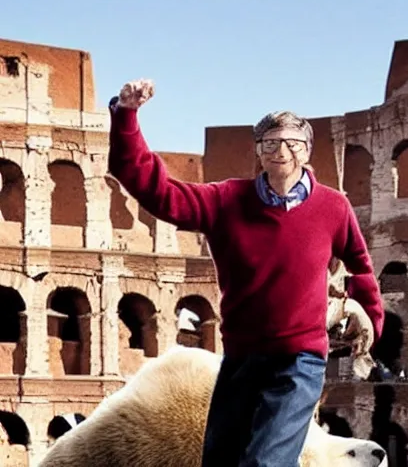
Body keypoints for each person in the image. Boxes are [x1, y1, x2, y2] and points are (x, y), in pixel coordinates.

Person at [106, 78, 384, 466]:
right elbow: (156, 191)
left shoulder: (333, 207)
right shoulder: (226, 200)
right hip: (241, 356)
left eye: (293, 143)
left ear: (306, 152)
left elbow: (359, 265)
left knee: (265, 463)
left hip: (299, 359)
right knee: (221, 459)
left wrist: (370, 319)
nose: (282, 150)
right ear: (259, 151)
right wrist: (126, 117)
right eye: (271, 142)